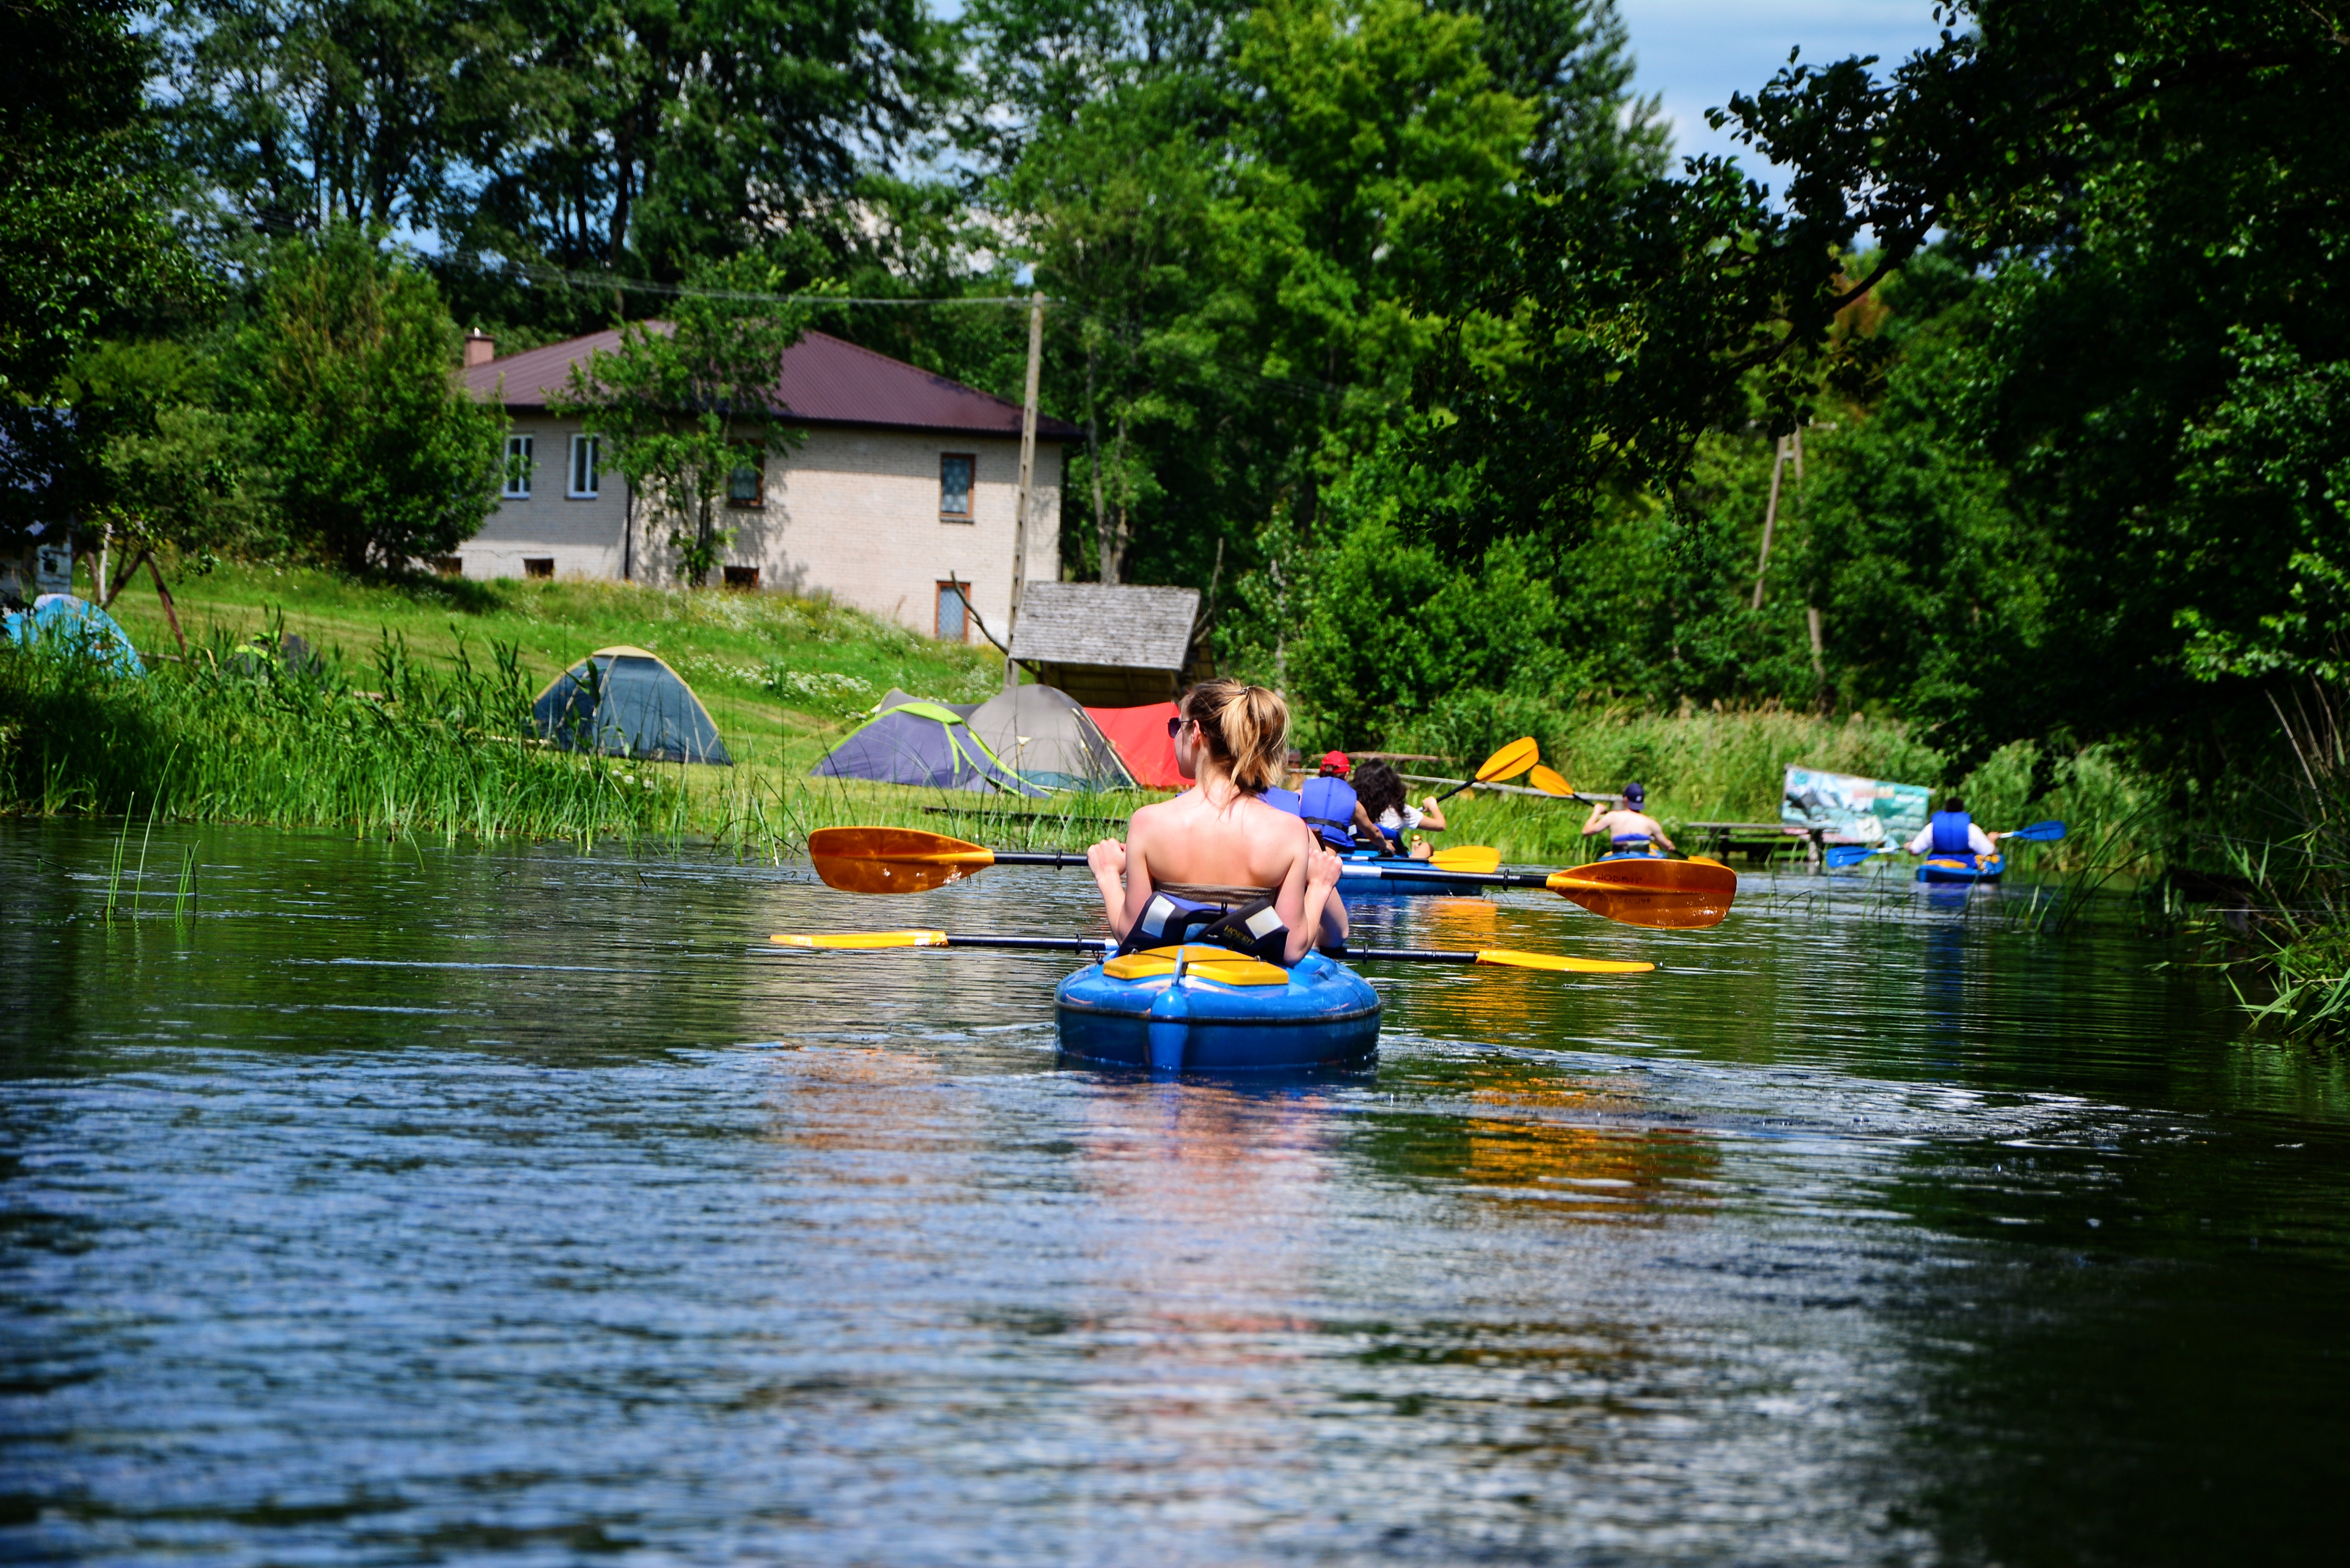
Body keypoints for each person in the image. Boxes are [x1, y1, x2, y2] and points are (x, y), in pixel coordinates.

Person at [1087, 679, 1346, 964]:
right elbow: (1290, 949)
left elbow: (1131, 935)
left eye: (1177, 726)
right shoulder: (1289, 832)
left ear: (1196, 732)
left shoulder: (1148, 823)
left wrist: (1108, 875)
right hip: (1248, 983)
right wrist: (1320, 886)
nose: (1174, 736)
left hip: (1168, 974)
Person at [1352, 759, 1447, 860]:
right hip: (1390, 861)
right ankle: (1410, 867)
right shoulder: (1399, 810)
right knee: (1427, 847)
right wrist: (1433, 806)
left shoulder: (1353, 807)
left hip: (1356, 856)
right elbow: (1441, 825)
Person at [1297, 750, 1379, 853]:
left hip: (1303, 853)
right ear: (1346, 774)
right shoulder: (1353, 804)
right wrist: (1387, 845)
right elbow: (1374, 833)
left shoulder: (1300, 794)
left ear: (1320, 772)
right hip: (1328, 860)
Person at [1582, 782, 1675, 856]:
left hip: (1619, 859)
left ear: (1626, 799)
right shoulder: (1651, 824)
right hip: (1641, 862)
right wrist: (1671, 846)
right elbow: (1668, 847)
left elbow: (1586, 832)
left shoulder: (1612, 816)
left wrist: (1597, 811)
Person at [1907, 795, 1997, 863]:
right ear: (1963, 811)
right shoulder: (1971, 829)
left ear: (1945, 810)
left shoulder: (1932, 827)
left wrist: (1909, 847)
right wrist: (1991, 840)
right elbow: (1989, 853)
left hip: (1937, 864)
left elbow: (1915, 851)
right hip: (1964, 865)